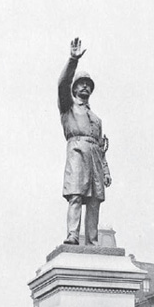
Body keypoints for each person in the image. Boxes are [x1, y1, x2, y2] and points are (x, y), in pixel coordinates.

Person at [58, 37, 111, 246]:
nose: (85, 88)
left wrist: (106, 171)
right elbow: (62, 84)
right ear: (74, 88)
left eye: (88, 85)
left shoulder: (97, 120)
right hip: (77, 153)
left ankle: (92, 240)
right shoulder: (68, 109)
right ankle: (73, 234)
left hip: (95, 159)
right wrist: (73, 60)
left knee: (95, 200)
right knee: (76, 195)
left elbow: (101, 147)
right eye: (81, 84)